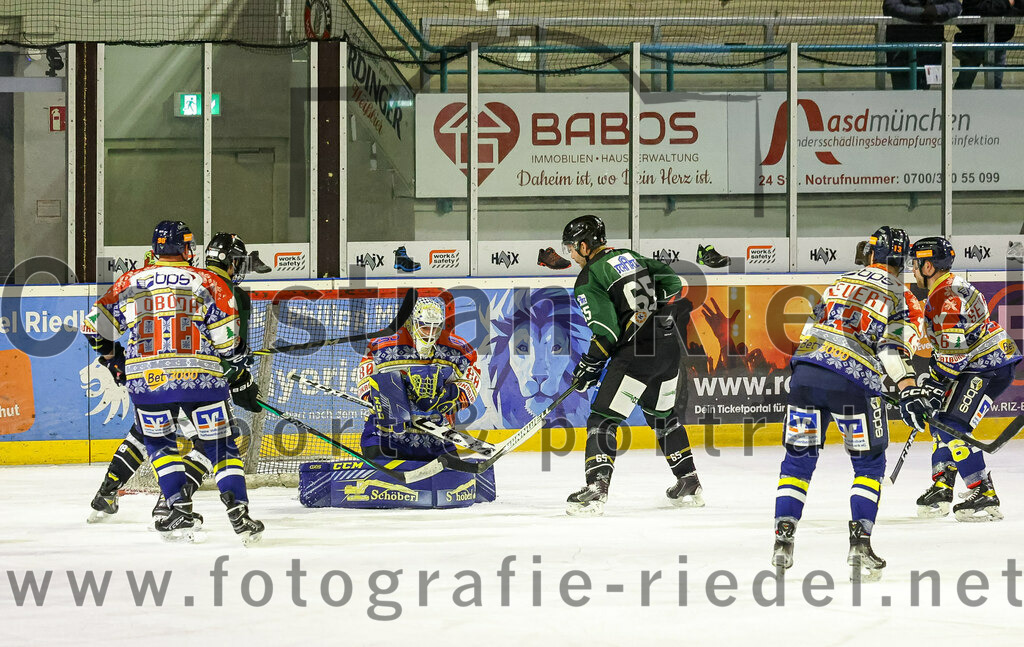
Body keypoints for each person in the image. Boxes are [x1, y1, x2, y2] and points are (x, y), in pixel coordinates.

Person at [81, 221, 264, 544]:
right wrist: (239, 356)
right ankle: (239, 513)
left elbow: (93, 328)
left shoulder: (130, 281)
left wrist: (116, 362)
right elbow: (227, 344)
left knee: (160, 445)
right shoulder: (206, 281)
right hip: (201, 379)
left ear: (154, 249)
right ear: (187, 249)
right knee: (220, 445)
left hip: (147, 381)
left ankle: (178, 508)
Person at [772, 226, 925, 581]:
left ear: (872, 254)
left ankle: (782, 541)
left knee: (798, 461)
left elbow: (810, 332)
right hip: (853, 383)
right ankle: (860, 546)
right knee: (869, 465)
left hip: (806, 375)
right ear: (902, 261)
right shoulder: (902, 296)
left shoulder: (839, 282)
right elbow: (891, 350)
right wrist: (907, 387)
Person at [561, 214, 701, 517]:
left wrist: (590, 364)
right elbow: (672, 281)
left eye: (572, 248)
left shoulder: (589, 277)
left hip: (636, 354)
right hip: (667, 345)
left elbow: (608, 331)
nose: (570, 255)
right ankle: (688, 481)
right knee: (663, 416)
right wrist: (645, 311)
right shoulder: (629, 256)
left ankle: (596, 488)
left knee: (602, 419)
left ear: (585, 246)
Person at [909, 236, 1021, 521]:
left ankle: (984, 493)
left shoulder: (945, 295)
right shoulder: (947, 287)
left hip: (987, 366)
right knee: (941, 420)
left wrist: (935, 382)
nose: (912, 269)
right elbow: (950, 349)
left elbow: (955, 351)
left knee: (952, 425)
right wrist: (935, 380)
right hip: (981, 363)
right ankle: (943, 485)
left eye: (916, 263)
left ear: (929, 266)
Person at [358, 297, 482, 460]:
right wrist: (395, 394)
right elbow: (364, 386)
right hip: (385, 436)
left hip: (435, 439)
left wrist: (450, 396)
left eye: (435, 327)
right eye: (424, 326)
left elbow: (472, 383)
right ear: (411, 323)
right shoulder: (382, 347)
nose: (430, 333)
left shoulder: (459, 350)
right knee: (379, 471)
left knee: (454, 479)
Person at [883, 0, 963, 89]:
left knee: (927, 97)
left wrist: (936, 10)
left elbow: (956, 6)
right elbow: (890, 6)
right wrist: (922, 13)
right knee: (903, 95)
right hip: (901, 55)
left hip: (931, 54)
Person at [954, 0, 1018, 90]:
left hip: (999, 41)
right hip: (974, 42)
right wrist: (1007, 3)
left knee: (995, 84)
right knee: (965, 82)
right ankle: (955, 103)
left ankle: (994, 103)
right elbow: (982, 9)